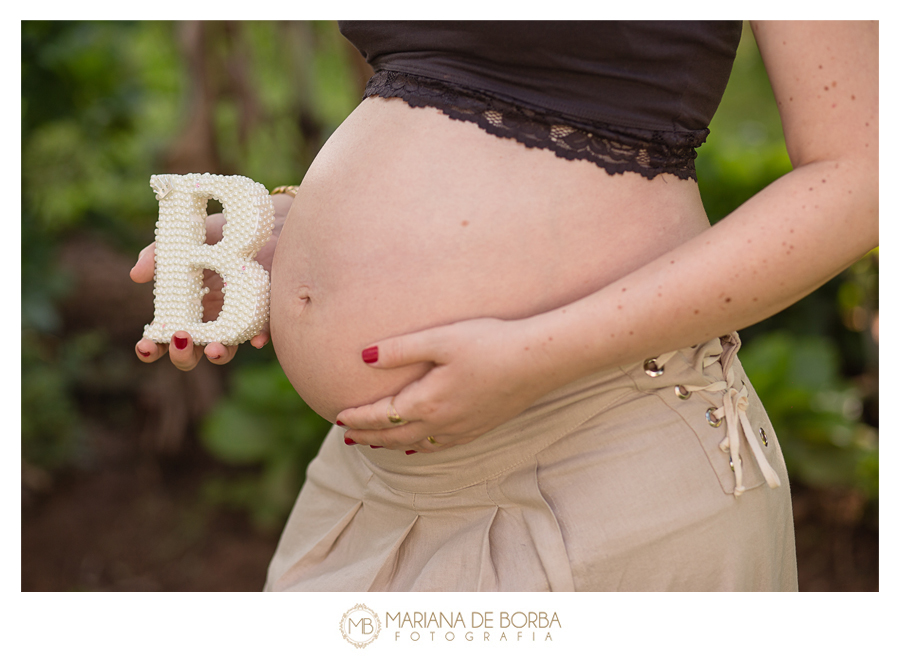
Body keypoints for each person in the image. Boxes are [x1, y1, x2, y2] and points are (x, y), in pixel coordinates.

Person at [131, 21, 878, 591]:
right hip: (371, 483)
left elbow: (863, 175)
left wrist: (538, 354)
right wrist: (302, 237)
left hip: (601, 451)